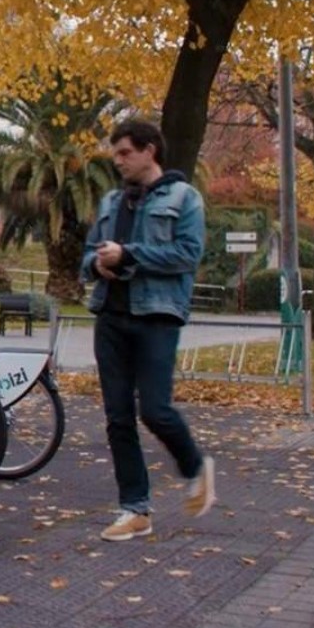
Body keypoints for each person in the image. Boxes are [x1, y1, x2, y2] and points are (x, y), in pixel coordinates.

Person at [79, 120, 215, 542]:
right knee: (117, 417)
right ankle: (135, 509)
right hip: (110, 317)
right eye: (115, 154)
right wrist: (96, 263)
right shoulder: (110, 202)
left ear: (150, 150)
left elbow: (188, 255)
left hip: (157, 316)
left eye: (125, 153)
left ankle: (195, 468)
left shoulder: (184, 198)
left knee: (154, 410)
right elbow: (88, 254)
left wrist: (129, 255)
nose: (118, 161)